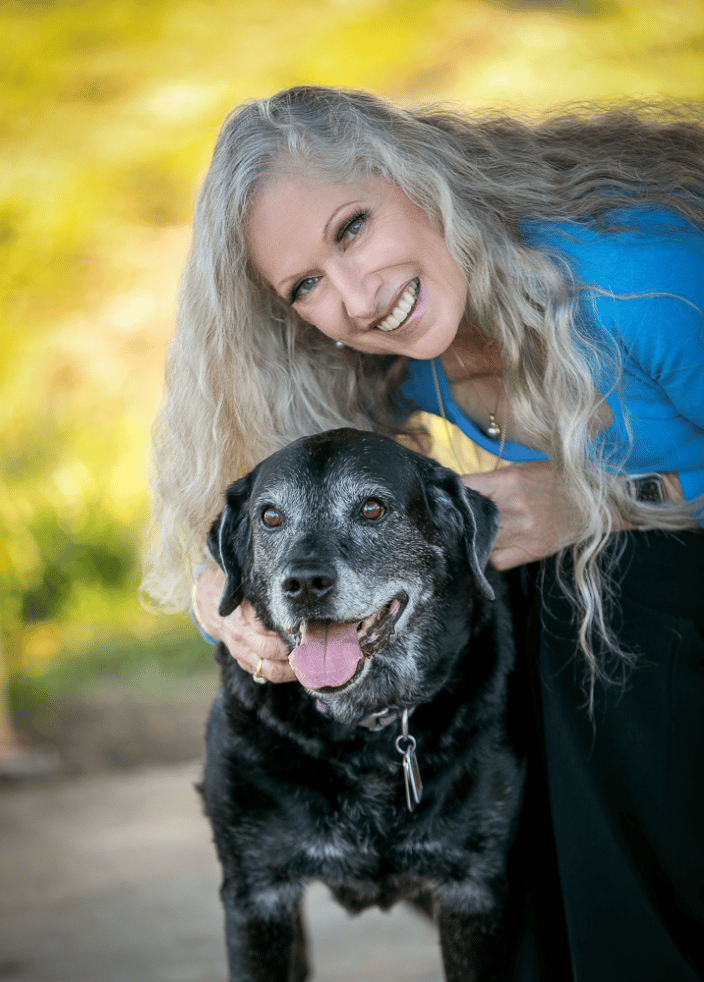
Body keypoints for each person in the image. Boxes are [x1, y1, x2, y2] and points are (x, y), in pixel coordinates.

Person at [142, 86, 704, 980]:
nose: (357, 298)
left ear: (420, 180)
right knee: (492, 586)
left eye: (353, 227)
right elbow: (269, 505)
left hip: (665, 593)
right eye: (307, 287)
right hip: (608, 603)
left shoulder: (642, 282)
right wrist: (220, 598)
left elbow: (602, 513)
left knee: (582, 576)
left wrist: (610, 497)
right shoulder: (405, 361)